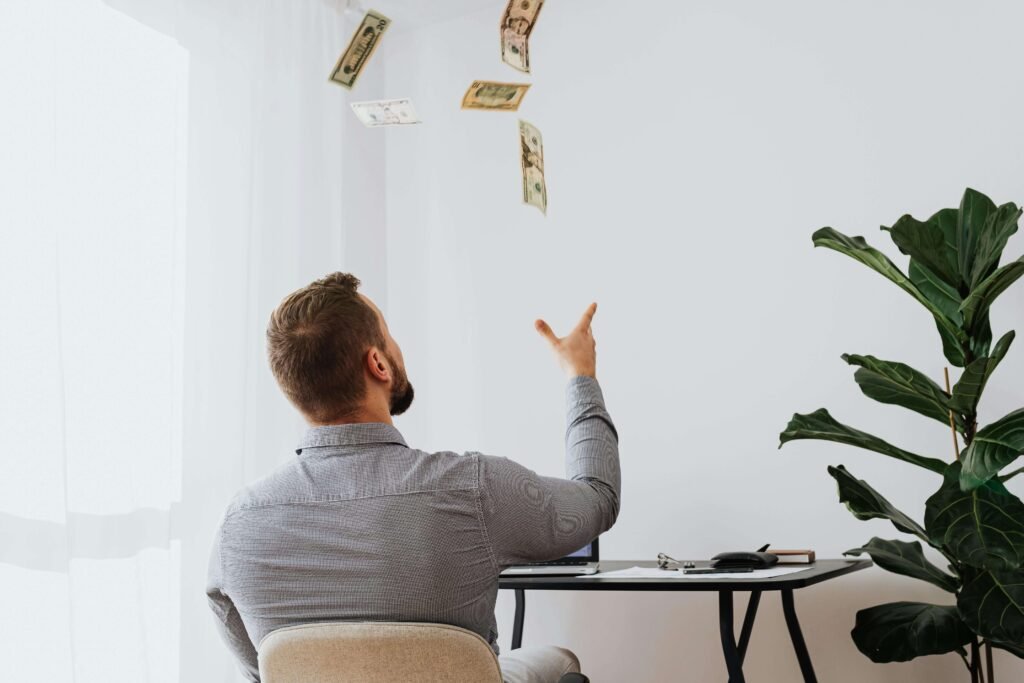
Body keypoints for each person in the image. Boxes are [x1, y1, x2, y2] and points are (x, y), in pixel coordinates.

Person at [206, 272, 620, 683]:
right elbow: (598, 498)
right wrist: (579, 374)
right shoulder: (474, 489)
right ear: (378, 364)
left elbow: (263, 673)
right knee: (559, 658)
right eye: (388, 335)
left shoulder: (237, 528)